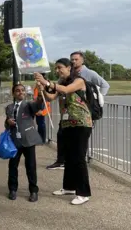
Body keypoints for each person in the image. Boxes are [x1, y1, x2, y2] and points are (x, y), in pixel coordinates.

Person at [35, 58, 93, 205]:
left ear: (69, 68)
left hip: (81, 123)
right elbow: (51, 97)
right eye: (56, 68)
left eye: (60, 68)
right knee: (68, 157)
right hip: (67, 124)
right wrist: (43, 87)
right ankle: (69, 187)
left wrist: (47, 82)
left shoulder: (79, 81)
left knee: (79, 158)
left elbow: (67, 90)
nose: (58, 71)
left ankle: (84, 193)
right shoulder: (61, 82)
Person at [46, 51, 110, 170]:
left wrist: (97, 98)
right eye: (72, 59)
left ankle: (79, 181)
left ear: (82, 60)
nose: (74, 61)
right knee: (63, 138)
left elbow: (105, 85)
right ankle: (61, 161)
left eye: (76, 59)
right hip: (67, 116)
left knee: (78, 152)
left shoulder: (86, 75)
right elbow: (54, 95)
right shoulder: (64, 78)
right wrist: (44, 87)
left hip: (81, 117)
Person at [5, 83, 44, 202]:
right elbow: (6, 124)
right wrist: (8, 122)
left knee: (31, 166)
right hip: (15, 141)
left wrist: (41, 96)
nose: (20, 92)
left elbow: (38, 106)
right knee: (13, 166)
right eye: (17, 91)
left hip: (28, 140)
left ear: (25, 93)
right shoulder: (9, 107)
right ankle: (12, 189)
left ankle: (33, 191)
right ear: (13, 93)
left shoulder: (29, 105)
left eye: (22, 90)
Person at [33, 79, 51, 143]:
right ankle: (39, 138)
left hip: (42, 108)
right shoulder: (37, 88)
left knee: (41, 124)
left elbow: (47, 103)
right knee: (39, 124)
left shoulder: (45, 90)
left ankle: (42, 140)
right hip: (37, 107)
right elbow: (34, 97)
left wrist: (43, 112)